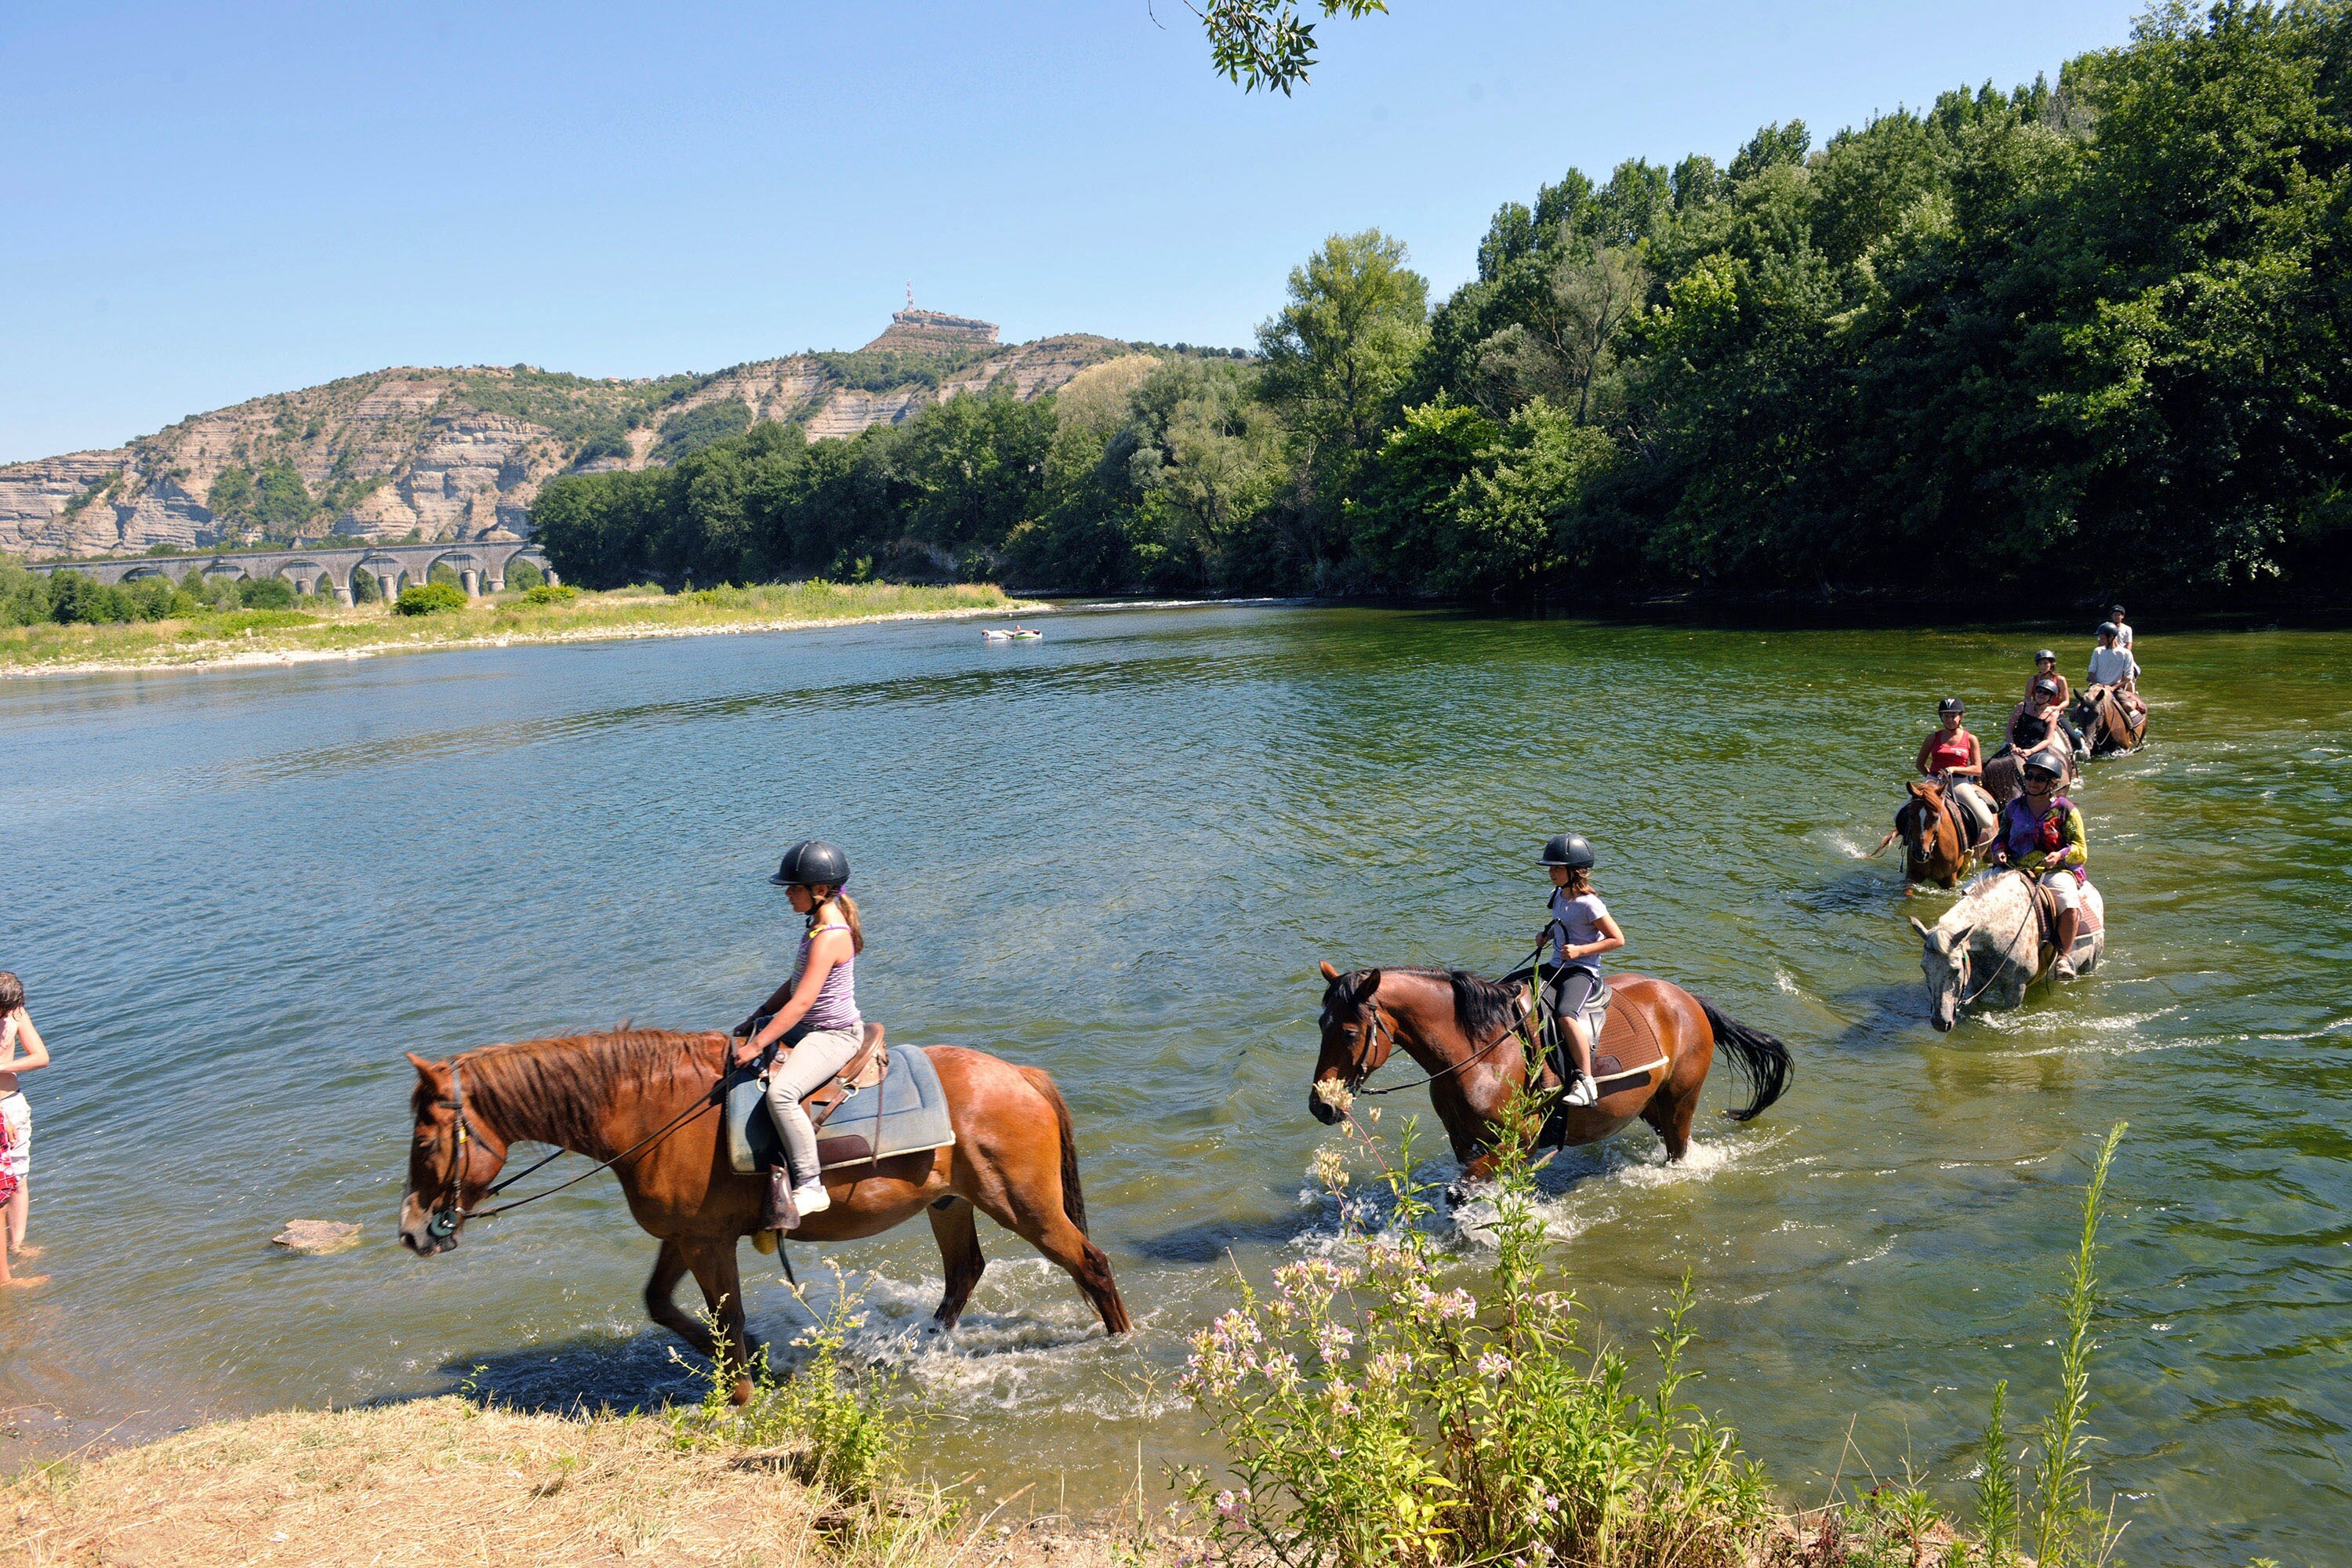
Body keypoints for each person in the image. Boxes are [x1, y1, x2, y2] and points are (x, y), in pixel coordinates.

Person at [730, 841, 865, 1228]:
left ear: (819, 890)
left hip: (833, 1035)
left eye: (794, 887)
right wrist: (759, 1014)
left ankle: (810, 1184)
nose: (788, 894)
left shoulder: (830, 936)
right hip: (807, 1028)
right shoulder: (817, 927)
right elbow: (793, 985)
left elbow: (803, 1001)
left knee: (782, 1093)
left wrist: (757, 1044)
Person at [1537, 834, 1626, 1109]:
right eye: (1550, 868)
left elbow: (1617, 939)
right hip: (1555, 966)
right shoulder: (1558, 895)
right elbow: (1562, 924)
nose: (1550, 872)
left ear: (1573, 871)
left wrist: (1580, 952)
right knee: (1508, 991)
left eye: (1556, 868)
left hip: (1582, 971)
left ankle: (1585, 1081)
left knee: (1565, 1014)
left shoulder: (1590, 904)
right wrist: (1547, 935)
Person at [1987, 750, 2092, 980]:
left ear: (2052, 783)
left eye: (2040, 778)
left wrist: (2059, 855)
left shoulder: (2066, 810)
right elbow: (2001, 838)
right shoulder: (2014, 807)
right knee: (1971, 891)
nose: (2033, 782)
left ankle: (2064, 956)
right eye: (2030, 777)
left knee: (2067, 900)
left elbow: (2081, 850)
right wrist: (1999, 851)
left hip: (2053, 870)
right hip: (2014, 868)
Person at [1875, 699, 1994, 855]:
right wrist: (1930, 779)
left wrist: (1955, 769)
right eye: (1945, 716)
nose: (1949, 720)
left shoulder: (1970, 739)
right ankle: (1911, 844)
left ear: (1961, 717)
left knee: (1986, 820)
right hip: (1934, 781)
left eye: (1953, 716)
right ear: (1941, 718)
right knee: (1899, 814)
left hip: (1958, 782)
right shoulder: (1933, 737)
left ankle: (1969, 847)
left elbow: (1977, 769)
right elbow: (1920, 764)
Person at [0, 974, 50, 1288]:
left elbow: (41, 1057)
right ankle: (5, 1274)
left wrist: (3, 1067)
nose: (8, 1016)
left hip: (13, 1104)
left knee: (18, 1179)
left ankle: (15, 1245)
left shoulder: (16, 1014)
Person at [2005, 678, 2074, 780]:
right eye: (2039, 691)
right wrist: (2013, 746)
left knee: (2042, 776)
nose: (2041, 694)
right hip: (2015, 746)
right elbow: (2009, 730)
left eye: (2046, 693)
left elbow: (2048, 740)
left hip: (2036, 749)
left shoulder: (2052, 715)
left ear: (2050, 697)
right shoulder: (2022, 707)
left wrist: (2030, 751)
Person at [2085, 623, 2143, 717]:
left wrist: (2113, 688)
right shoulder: (2097, 651)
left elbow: (2128, 676)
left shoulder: (2126, 653)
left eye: (2102, 638)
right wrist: (2097, 683)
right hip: (2097, 687)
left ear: (2111, 637)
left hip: (2115, 688)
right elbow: (2091, 672)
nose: (2100, 640)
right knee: (2078, 711)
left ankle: (2135, 701)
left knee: (2128, 707)